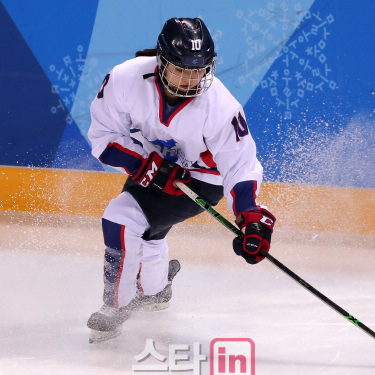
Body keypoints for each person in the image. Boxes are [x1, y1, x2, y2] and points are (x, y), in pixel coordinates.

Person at [86, 17, 276, 343]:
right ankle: (157, 290)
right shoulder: (125, 79)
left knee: (121, 218)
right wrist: (144, 165)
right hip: (153, 163)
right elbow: (102, 137)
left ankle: (115, 306)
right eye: (181, 69)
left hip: (202, 180)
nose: (190, 79)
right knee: (145, 230)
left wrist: (251, 218)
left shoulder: (221, 107)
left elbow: (240, 166)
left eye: (198, 71)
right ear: (161, 61)